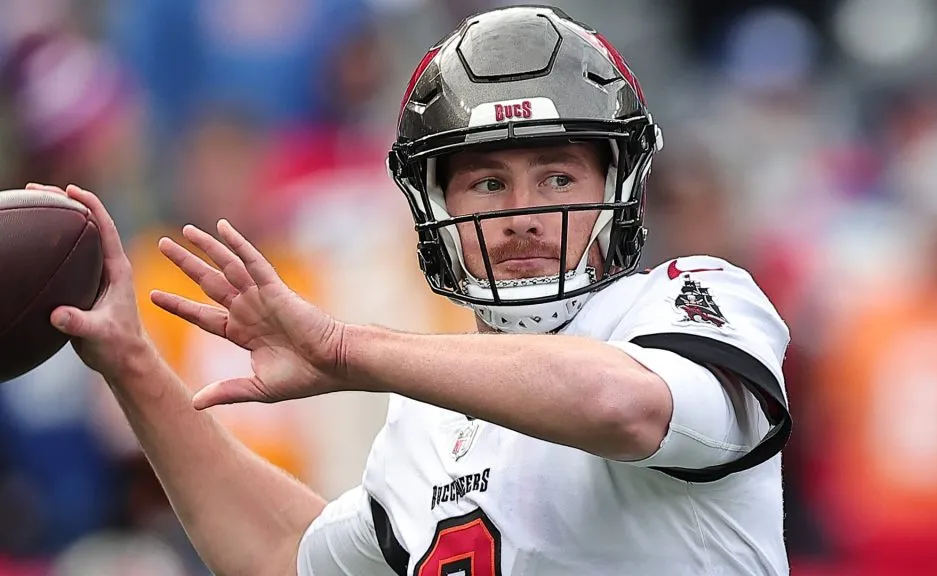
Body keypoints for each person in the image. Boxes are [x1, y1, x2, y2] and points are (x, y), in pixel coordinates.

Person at [35, 6, 791, 575]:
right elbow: (283, 553)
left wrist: (343, 349)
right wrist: (132, 363)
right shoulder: (426, 421)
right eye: (487, 183)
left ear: (617, 188)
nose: (523, 214)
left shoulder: (694, 299)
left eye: (557, 177)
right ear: (435, 209)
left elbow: (622, 405)